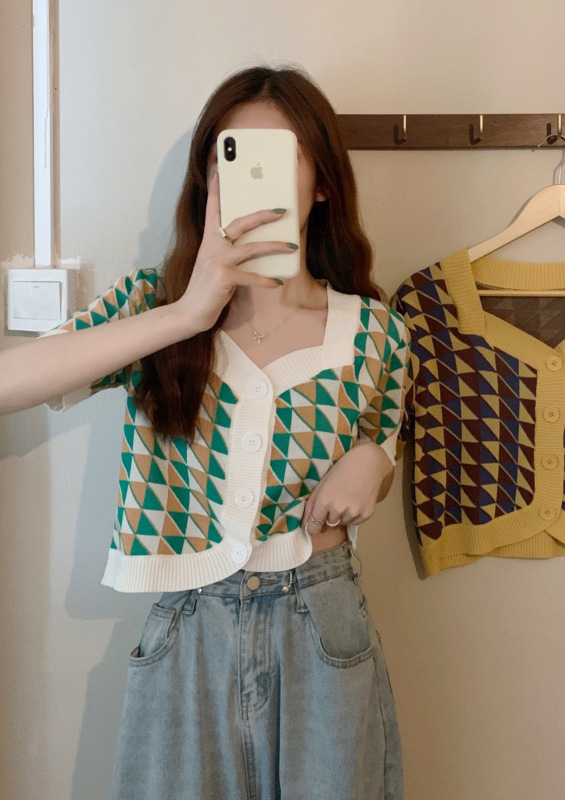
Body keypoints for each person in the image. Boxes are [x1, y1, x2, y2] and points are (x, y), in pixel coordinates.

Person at [0, 65, 408, 800]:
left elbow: (385, 439)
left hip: (323, 628)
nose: (249, 181)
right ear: (206, 179)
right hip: (188, 629)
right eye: (230, 157)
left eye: (279, 157)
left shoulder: (376, 332)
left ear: (321, 182)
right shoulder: (152, 307)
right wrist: (189, 313)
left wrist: (374, 460)